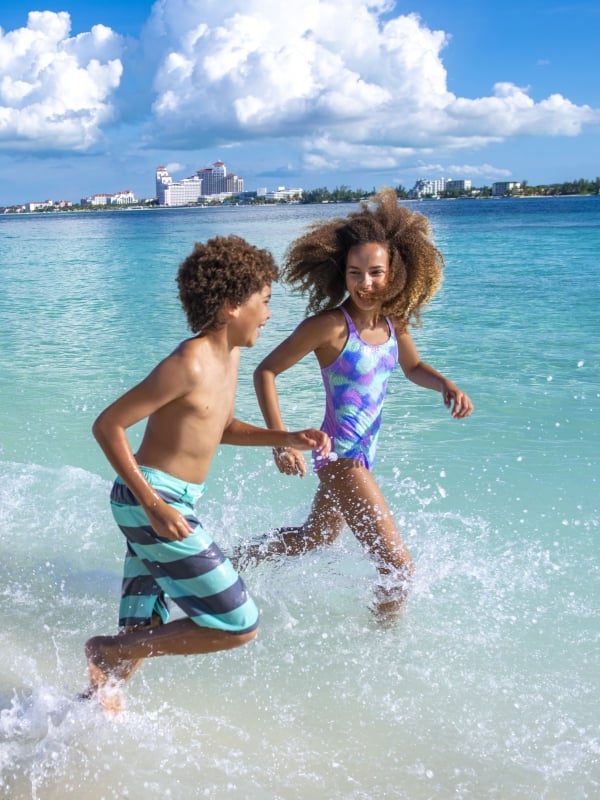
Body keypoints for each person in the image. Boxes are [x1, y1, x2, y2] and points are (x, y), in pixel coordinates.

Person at [83, 235, 330, 712]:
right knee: (238, 623)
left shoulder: (231, 357)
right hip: (150, 498)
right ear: (231, 306)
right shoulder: (188, 363)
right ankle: (105, 651)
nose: (270, 314)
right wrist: (154, 506)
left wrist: (286, 438)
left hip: (166, 500)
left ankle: (84, 715)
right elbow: (108, 425)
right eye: (265, 301)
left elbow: (220, 426)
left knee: (142, 628)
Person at [247, 188, 473, 618]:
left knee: (315, 537)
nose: (365, 284)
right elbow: (266, 371)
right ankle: (384, 647)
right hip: (342, 458)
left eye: (375, 272)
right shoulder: (330, 326)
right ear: (341, 273)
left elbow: (412, 367)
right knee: (398, 567)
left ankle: (228, 562)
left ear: (396, 272)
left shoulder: (394, 321)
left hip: (362, 457)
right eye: (354, 273)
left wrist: (445, 384)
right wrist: (282, 441)